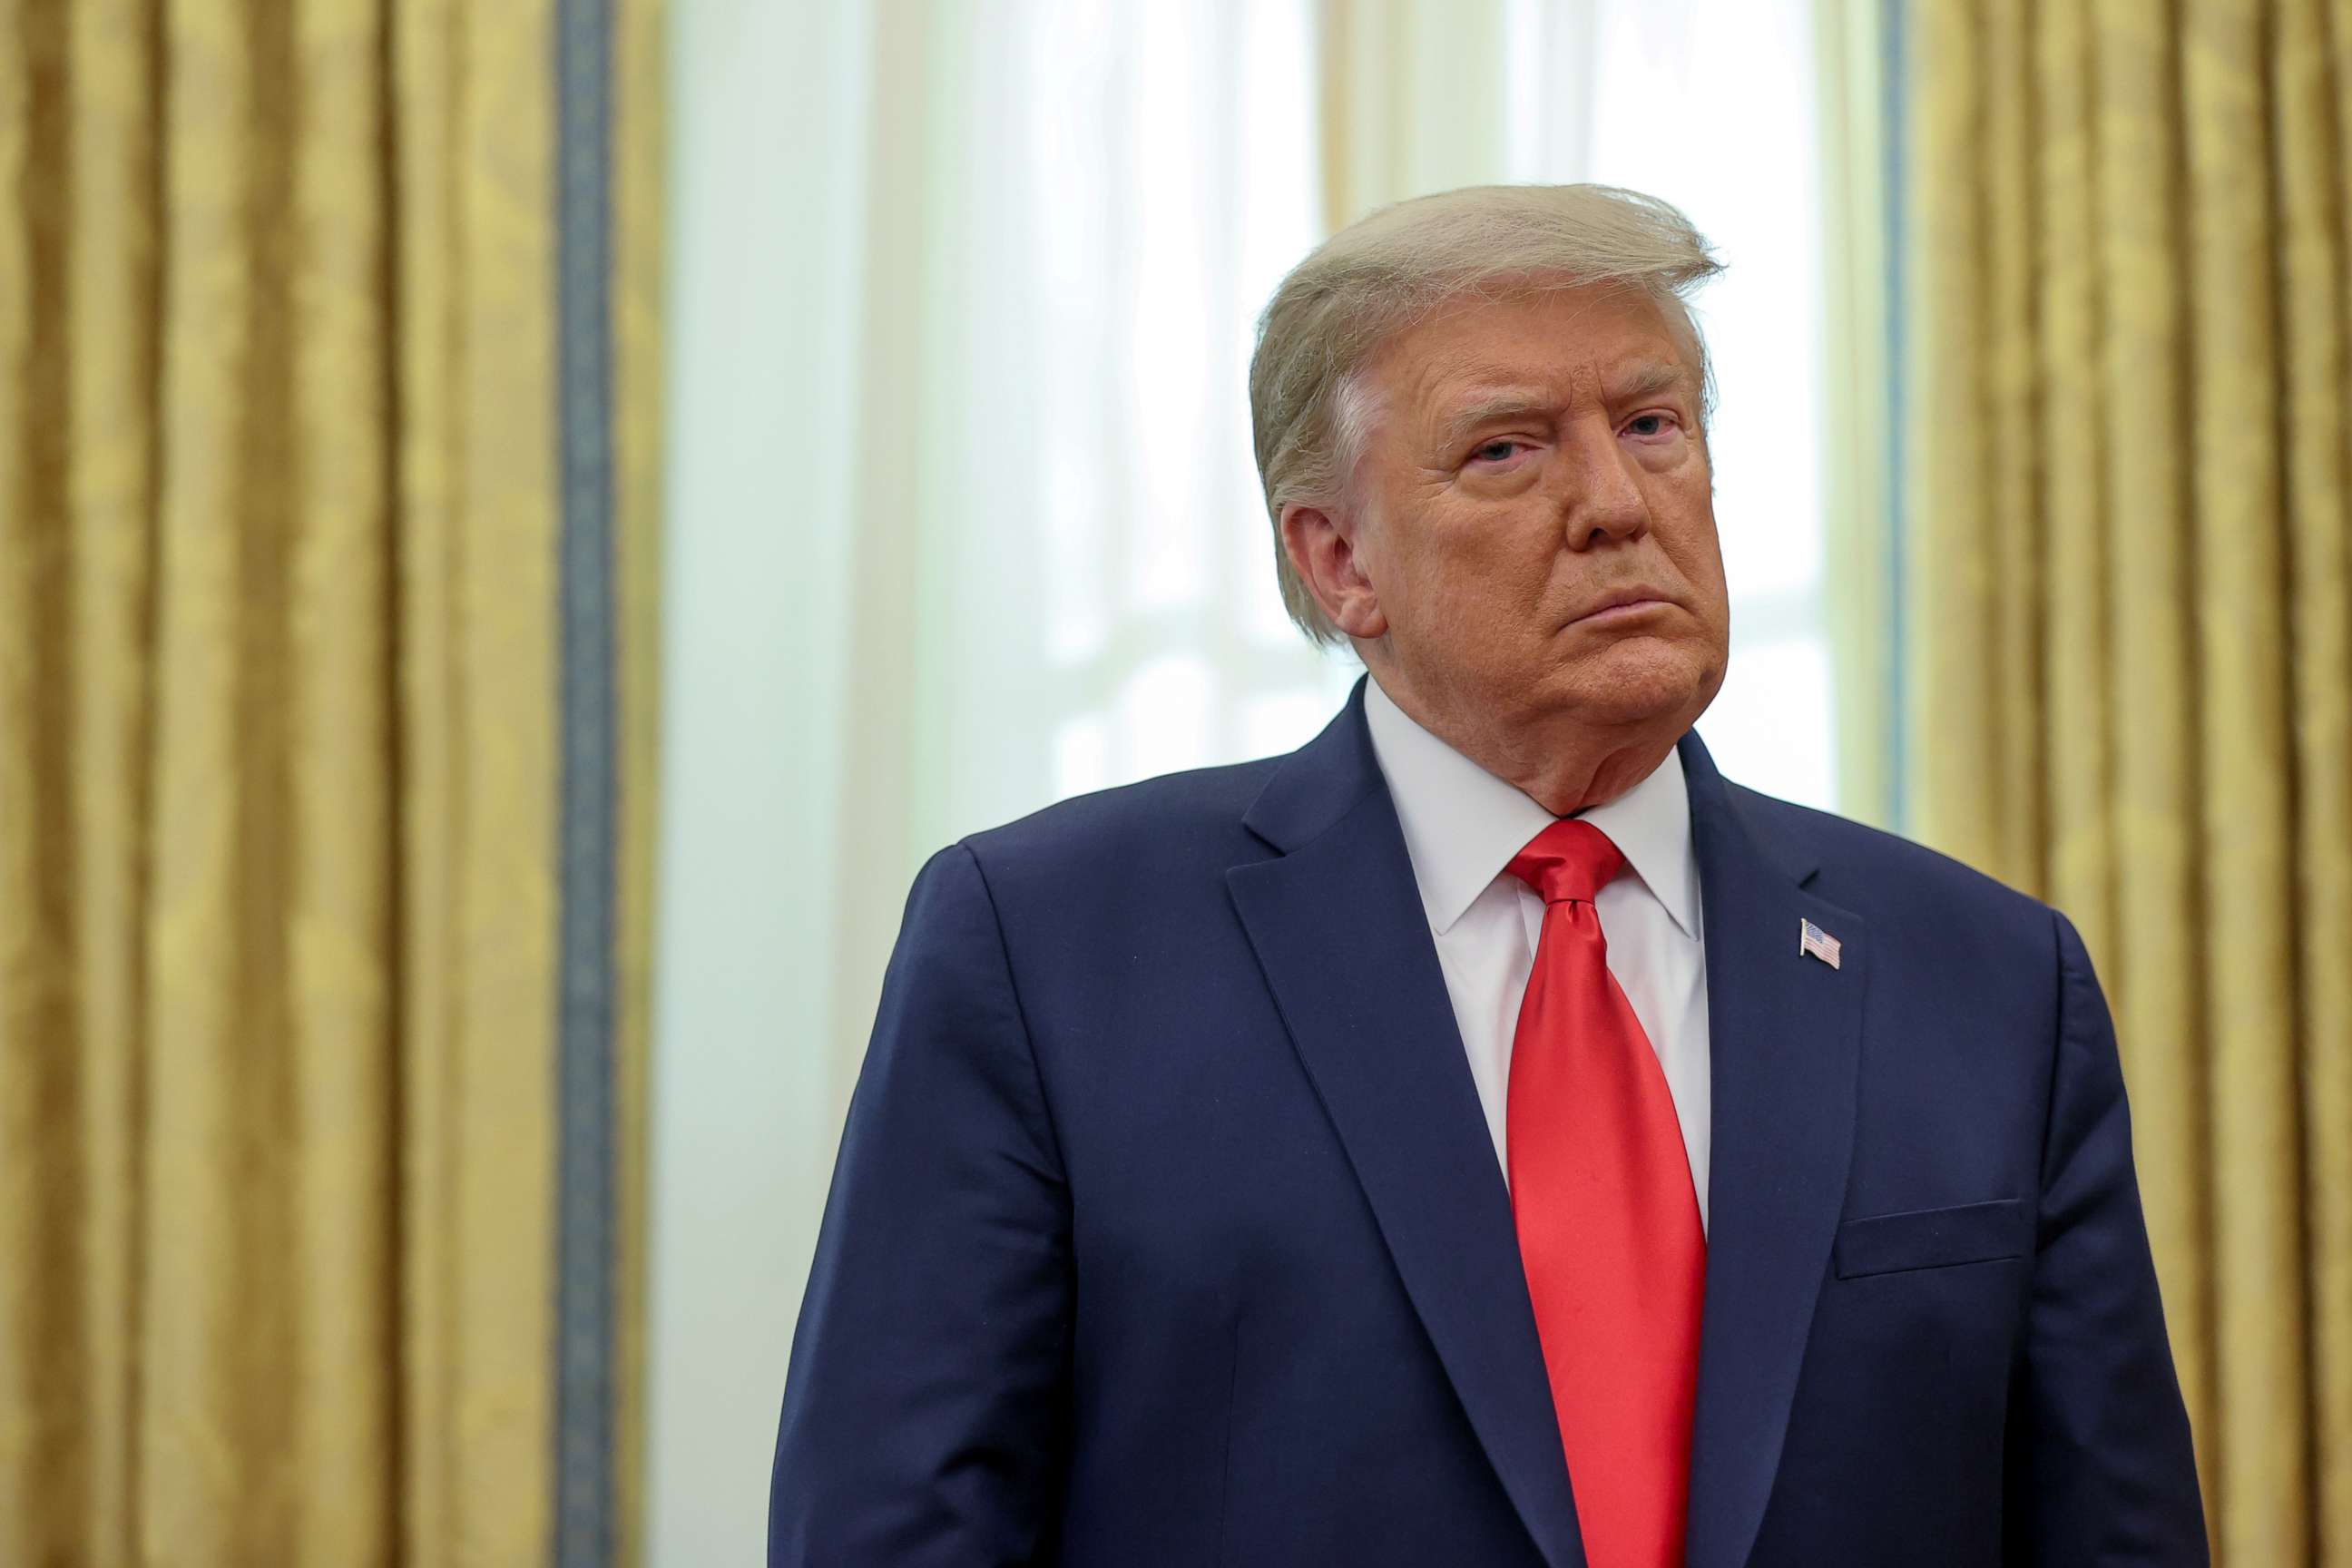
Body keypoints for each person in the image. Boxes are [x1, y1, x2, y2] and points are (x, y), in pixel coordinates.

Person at [768, 183, 2206, 1567]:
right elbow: (893, 1527)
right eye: (1508, 450)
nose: (1617, 502)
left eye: (1654, 426)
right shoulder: (1048, 950)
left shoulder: (1992, 979)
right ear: (1340, 564)